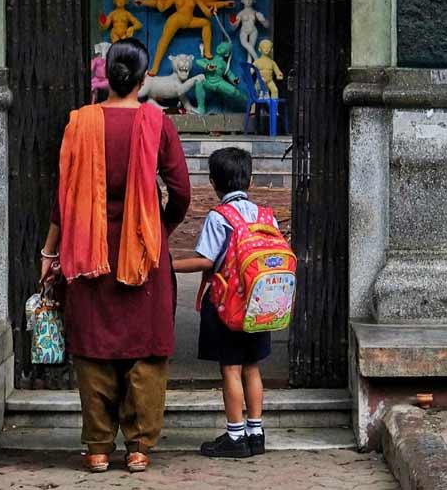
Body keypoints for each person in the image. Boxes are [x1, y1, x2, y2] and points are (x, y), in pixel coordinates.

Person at [39, 38, 191, 474]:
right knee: (145, 350)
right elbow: (180, 190)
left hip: (88, 251)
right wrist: (157, 227)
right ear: (144, 79)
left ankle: (98, 448)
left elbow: (63, 199)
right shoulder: (157, 123)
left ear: (106, 74)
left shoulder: (80, 123)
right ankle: (139, 447)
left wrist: (50, 252)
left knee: (95, 349)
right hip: (144, 252)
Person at [173, 147, 273, 458]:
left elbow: (206, 260)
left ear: (214, 183)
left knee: (230, 368)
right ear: (251, 179)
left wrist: (169, 265)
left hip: (227, 303)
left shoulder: (219, 217)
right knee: (252, 367)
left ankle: (235, 436)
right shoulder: (263, 214)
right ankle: (256, 433)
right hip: (260, 303)